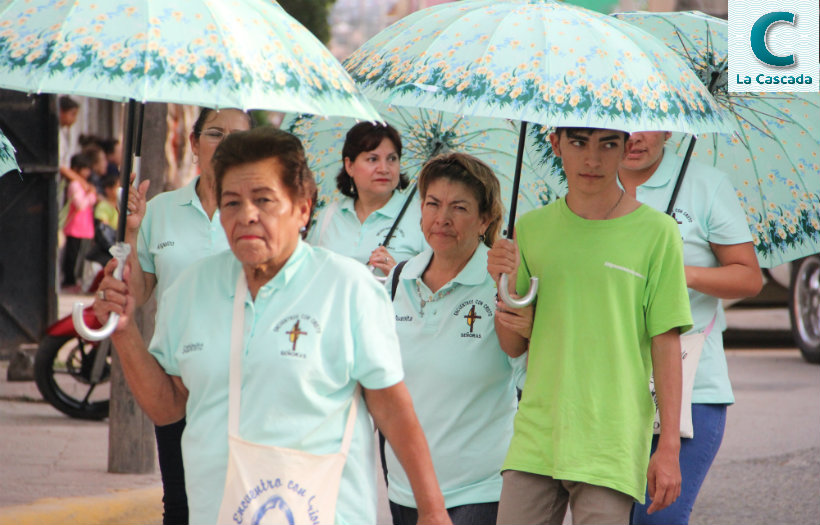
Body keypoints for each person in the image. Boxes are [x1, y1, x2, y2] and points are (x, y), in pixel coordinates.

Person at [93, 126, 452, 525]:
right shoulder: (188, 291)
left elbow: (393, 409)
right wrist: (123, 331)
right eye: (231, 202)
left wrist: (432, 511)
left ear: (303, 208)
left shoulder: (348, 289)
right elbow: (169, 407)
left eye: (263, 200)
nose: (246, 214)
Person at [488, 127, 694, 524]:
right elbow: (513, 345)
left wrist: (667, 446)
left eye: (608, 144)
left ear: (625, 148)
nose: (592, 160)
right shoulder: (529, 229)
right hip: (537, 434)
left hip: (610, 441)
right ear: (556, 144)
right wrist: (501, 281)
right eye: (579, 142)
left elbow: (665, 343)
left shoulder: (659, 233)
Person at [619, 131, 762, 525]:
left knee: (656, 519)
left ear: (669, 127)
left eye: (648, 122)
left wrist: (682, 274)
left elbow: (749, 278)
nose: (634, 137)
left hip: (690, 383)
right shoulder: (590, 183)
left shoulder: (705, 184)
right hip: (611, 383)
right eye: (624, 122)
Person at [122, 107, 253, 525]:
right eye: (216, 133)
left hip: (243, 378)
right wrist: (129, 234)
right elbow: (138, 293)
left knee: (243, 500)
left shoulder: (257, 215)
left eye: (238, 135)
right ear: (194, 143)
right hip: (176, 378)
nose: (227, 142)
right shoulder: (160, 210)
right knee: (180, 504)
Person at [385, 153, 528, 525]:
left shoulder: (504, 286)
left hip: (478, 490)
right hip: (402, 487)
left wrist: (508, 295)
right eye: (432, 204)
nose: (442, 218)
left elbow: (530, 375)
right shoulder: (398, 280)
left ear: (485, 219)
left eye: (459, 208)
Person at [306, 122, 426, 275]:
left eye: (392, 159)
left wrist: (398, 275)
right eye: (372, 159)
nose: (384, 169)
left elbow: (434, 285)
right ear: (349, 166)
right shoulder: (329, 215)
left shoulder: (421, 217)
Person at [61, 152, 97, 292]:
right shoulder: (75, 185)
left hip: (85, 226)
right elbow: (80, 204)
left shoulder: (84, 185)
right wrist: (90, 194)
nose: (87, 172)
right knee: (72, 257)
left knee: (80, 256)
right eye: (85, 168)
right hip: (75, 226)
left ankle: (76, 281)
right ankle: (70, 282)